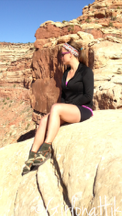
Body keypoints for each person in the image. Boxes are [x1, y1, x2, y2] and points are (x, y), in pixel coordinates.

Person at [22, 40, 94, 175]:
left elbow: (88, 96)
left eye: (62, 54)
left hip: (83, 109)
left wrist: (68, 105)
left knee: (56, 107)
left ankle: (46, 147)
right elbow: (63, 96)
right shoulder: (66, 73)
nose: (60, 57)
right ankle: (32, 156)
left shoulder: (86, 72)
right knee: (44, 120)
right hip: (69, 109)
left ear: (71, 54)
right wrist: (63, 106)